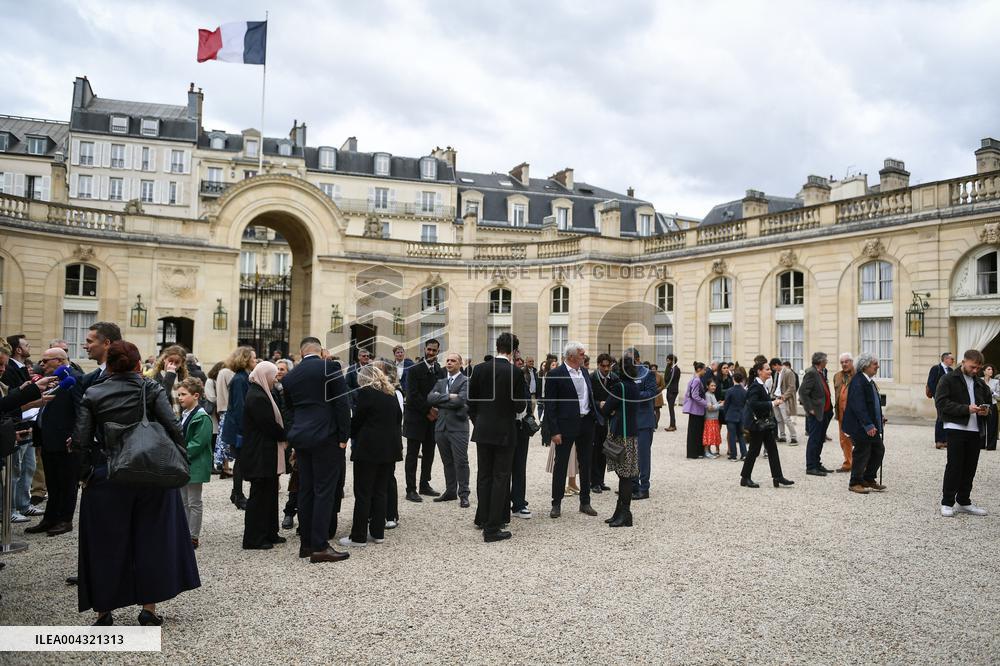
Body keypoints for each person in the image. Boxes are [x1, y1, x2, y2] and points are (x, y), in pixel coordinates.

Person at [74, 340, 200, 626]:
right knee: (152, 539)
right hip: (151, 473)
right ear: (136, 364)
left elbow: (81, 441)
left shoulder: (93, 393)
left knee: (105, 543)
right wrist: (181, 463)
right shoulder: (150, 388)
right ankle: (148, 608)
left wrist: (85, 475)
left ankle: (104, 611)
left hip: (108, 473)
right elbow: (173, 428)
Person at [280, 337, 351, 563]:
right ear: (320, 351)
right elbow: (342, 403)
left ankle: (306, 544)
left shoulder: (290, 376)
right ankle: (320, 545)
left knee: (306, 491)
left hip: (301, 438)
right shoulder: (330, 367)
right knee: (324, 491)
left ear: (301, 353)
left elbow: (288, 410)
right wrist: (343, 437)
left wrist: (294, 434)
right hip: (326, 437)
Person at [468, 332, 527, 542]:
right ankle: (492, 528)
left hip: (483, 429)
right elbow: (520, 405)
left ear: (497, 347)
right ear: (513, 350)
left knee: (484, 475)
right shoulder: (515, 373)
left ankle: (483, 517)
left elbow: (471, 402)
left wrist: (479, 421)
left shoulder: (479, 369)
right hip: (504, 429)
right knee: (501, 477)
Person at [339, 364, 403, 548]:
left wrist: (347, 433)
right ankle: (377, 532)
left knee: (363, 493)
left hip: (369, 450)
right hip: (389, 450)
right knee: (380, 492)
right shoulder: (390, 394)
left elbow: (357, 420)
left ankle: (358, 537)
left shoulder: (366, 393)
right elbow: (398, 418)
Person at [23, 348, 80, 536]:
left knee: (67, 483)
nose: (42, 364)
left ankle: (65, 520)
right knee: (53, 483)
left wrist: (75, 436)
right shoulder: (51, 378)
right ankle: (50, 518)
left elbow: (81, 411)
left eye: (46, 361)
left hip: (65, 441)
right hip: (47, 439)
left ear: (59, 360)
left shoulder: (74, 379)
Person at [543, 341, 601, 519]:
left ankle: (585, 502)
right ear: (571, 356)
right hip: (565, 425)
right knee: (561, 465)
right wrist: (554, 431)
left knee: (586, 463)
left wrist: (595, 413)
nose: (585, 356)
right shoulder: (555, 374)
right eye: (582, 354)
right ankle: (556, 503)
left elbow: (588, 397)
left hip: (586, 423)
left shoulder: (584, 372)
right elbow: (550, 405)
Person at [935, 349, 991, 517]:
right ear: (963, 361)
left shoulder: (980, 383)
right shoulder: (948, 379)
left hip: (975, 429)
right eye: (973, 367)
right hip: (955, 427)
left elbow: (988, 402)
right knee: (955, 466)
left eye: (978, 368)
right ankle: (947, 502)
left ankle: (964, 501)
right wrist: (966, 409)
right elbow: (941, 403)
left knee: (970, 467)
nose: (975, 371)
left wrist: (985, 411)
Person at [599, 355, 641, 527]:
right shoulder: (634, 386)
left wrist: (605, 408)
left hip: (620, 434)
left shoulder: (619, 387)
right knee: (626, 474)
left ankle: (624, 513)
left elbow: (606, 408)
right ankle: (621, 511)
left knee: (623, 475)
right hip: (631, 433)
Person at [740, 361, 795, 489]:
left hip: (764, 423)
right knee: (754, 451)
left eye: (769, 369)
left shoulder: (763, 385)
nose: (770, 371)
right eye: (767, 369)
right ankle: (745, 478)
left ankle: (778, 477)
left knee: (772, 449)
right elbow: (753, 404)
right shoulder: (755, 386)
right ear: (759, 371)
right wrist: (772, 404)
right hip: (758, 424)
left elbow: (761, 401)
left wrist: (773, 401)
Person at [427, 352, 471, 507]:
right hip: (441, 427)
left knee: (461, 461)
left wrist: (441, 399)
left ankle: (464, 493)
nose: (450, 363)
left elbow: (460, 400)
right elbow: (430, 398)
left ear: (460, 364)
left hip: (458, 427)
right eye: (448, 360)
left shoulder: (466, 381)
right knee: (447, 462)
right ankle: (451, 491)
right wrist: (449, 396)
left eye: (453, 360)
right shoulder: (440, 381)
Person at [403, 338, 445, 501]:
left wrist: (438, 409)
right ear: (424, 349)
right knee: (412, 455)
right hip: (416, 419)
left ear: (438, 352)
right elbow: (412, 395)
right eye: (429, 349)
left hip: (432, 420)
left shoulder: (440, 371)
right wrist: (429, 409)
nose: (431, 353)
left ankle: (424, 484)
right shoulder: (414, 370)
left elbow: (442, 393)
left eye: (434, 350)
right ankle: (411, 489)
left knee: (429, 453)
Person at [841, 353, 887, 494]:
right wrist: (868, 424)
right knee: (862, 453)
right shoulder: (858, 381)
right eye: (875, 364)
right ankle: (854, 482)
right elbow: (858, 406)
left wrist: (880, 417)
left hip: (868, 425)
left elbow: (871, 403)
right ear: (866, 366)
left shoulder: (868, 380)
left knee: (878, 450)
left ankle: (867, 478)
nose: (877, 366)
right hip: (860, 426)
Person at [176, 378, 212, 548]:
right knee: (183, 500)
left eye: (183, 394)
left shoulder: (202, 417)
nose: (180, 398)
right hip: (184, 462)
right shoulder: (184, 414)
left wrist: (180, 452)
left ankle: (193, 535)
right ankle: (184, 532)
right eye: (178, 395)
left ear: (196, 395)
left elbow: (199, 443)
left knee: (194, 501)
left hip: (195, 464)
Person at [220, 347, 256, 509]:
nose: (256, 361)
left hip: (237, 427)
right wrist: (245, 430)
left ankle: (236, 493)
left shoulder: (243, 378)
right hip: (238, 429)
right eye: (253, 358)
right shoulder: (241, 379)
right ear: (245, 359)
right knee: (241, 462)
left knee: (240, 462)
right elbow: (240, 407)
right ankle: (238, 495)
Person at [623, 348, 658, 500]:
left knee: (643, 456)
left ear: (637, 359)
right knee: (629, 455)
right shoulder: (625, 373)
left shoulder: (648, 373)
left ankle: (644, 488)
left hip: (643, 420)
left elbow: (651, 393)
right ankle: (632, 485)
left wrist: (633, 394)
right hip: (628, 420)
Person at [799, 352, 834, 476]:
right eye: (826, 360)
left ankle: (817, 464)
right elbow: (802, 392)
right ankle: (811, 466)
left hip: (825, 412)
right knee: (814, 440)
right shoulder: (812, 373)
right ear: (820, 361)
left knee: (820, 440)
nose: (827, 362)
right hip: (817, 413)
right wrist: (810, 409)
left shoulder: (821, 372)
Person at [509, 351, 533, 519]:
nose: (520, 362)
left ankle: (518, 502)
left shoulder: (524, 378)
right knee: (504, 468)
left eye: (521, 360)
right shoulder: (505, 377)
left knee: (519, 467)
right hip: (507, 427)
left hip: (522, 428)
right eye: (516, 360)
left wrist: (530, 417)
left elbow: (527, 402)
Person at [589, 353, 616, 494]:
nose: (606, 369)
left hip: (608, 418)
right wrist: (600, 404)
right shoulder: (592, 378)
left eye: (608, 366)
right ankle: (593, 482)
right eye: (603, 366)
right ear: (598, 365)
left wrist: (612, 408)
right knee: (595, 451)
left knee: (604, 451)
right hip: (595, 418)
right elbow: (588, 398)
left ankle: (600, 480)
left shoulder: (614, 378)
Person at [832, 353, 856, 473]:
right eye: (842, 362)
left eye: (846, 361)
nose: (844, 364)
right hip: (841, 414)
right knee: (844, 440)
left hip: (855, 415)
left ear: (852, 362)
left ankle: (860, 464)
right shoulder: (836, 376)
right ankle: (848, 463)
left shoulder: (859, 375)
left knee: (858, 440)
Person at [146, 345, 189, 409]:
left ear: (181, 364)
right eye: (170, 361)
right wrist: (170, 375)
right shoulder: (155, 377)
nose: (173, 365)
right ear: (164, 359)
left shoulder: (183, 378)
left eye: (177, 362)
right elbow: (160, 399)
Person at [927, 352, 955, 449]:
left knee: (948, 417)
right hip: (939, 397)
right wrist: (937, 395)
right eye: (952, 359)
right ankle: (939, 441)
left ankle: (946, 440)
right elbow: (930, 382)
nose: (953, 361)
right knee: (940, 417)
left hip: (949, 398)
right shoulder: (936, 368)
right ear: (945, 359)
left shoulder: (951, 370)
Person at [683, 362, 708, 458]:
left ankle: (694, 452)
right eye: (704, 369)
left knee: (694, 432)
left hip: (694, 409)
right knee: (695, 432)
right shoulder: (697, 380)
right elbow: (695, 395)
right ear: (699, 369)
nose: (705, 371)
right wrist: (705, 403)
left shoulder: (693, 379)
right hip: (696, 409)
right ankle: (694, 453)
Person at [724, 369, 748, 460]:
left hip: (731, 415)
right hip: (741, 415)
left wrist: (726, 414)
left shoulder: (730, 390)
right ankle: (744, 454)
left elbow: (726, 404)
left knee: (732, 436)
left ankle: (733, 455)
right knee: (741, 435)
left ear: (733, 379)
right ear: (742, 380)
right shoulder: (744, 391)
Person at [775, 359, 798, 444]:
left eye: (774, 367)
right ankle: (782, 436)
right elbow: (775, 385)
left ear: (777, 365)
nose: (773, 369)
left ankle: (794, 437)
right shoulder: (777, 373)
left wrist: (784, 396)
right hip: (775, 397)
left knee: (786, 419)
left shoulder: (788, 372)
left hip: (783, 398)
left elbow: (792, 387)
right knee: (779, 419)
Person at [703, 379, 723, 458]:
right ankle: (706, 451)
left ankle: (709, 450)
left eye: (714, 386)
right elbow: (710, 408)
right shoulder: (707, 395)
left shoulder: (712, 394)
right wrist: (720, 405)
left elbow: (712, 405)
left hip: (714, 418)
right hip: (710, 418)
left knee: (712, 435)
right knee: (709, 435)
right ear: (707, 386)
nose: (713, 387)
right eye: (712, 385)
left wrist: (718, 403)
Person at [982, 364, 999, 451]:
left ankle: (991, 446)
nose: (991, 371)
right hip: (981, 405)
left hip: (992, 405)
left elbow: (999, 396)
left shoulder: (996, 382)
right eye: (988, 369)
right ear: (984, 371)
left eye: (991, 369)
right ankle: (980, 444)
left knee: (992, 425)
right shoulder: (979, 380)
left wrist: (992, 392)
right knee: (981, 425)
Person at [664, 354, 681, 431]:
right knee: (670, 408)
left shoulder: (676, 369)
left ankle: (673, 425)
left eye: (668, 360)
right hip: (669, 389)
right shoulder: (671, 368)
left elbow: (668, 378)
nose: (667, 362)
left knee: (671, 408)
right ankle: (672, 424)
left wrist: (668, 368)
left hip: (673, 390)